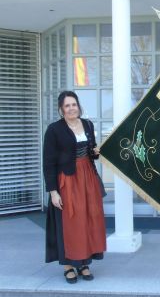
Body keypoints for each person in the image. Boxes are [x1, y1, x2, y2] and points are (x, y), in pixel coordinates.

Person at [44, 91, 106, 284]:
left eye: (74, 104)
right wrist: (53, 191)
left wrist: (96, 152)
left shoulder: (87, 124)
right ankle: (68, 266)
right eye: (67, 105)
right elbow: (48, 162)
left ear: (79, 106)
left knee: (89, 219)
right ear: (61, 109)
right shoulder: (54, 130)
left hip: (88, 177)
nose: (71, 108)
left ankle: (84, 262)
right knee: (71, 221)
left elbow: (91, 152)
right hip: (68, 180)